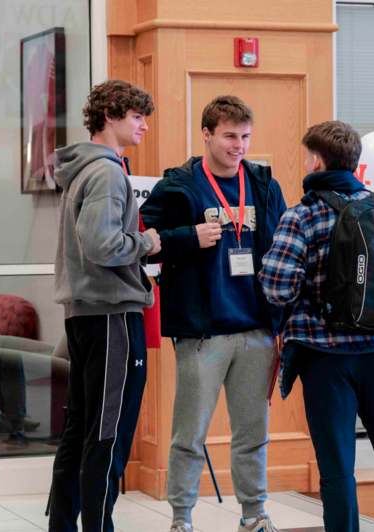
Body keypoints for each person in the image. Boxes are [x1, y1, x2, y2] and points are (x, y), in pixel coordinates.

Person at [259, 120, 374, 531]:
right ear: (355, 162)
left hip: (325, 359)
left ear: (315, 159)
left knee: (337, 468)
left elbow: (276, 287)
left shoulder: (302, 216)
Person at [141, 95, 287, 532]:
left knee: (251, 435)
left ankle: (254, 514)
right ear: (206, 134)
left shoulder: (263, 185)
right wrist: (188, 236)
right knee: (190, 435)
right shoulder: (179, 185)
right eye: (228, 136)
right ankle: (181, 519)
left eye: (244, 137)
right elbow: (141, 238)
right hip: (202, 334)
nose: (238, 145)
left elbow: (282, 247)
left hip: (256, 330)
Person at [48, 79, 161, 532]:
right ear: (111, 116)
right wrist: (147, 242)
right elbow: (103, 245)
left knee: (81, 429)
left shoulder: (80, 168)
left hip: (85, 313)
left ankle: (64, 525)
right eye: (137, 117)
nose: (145, 127)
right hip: (111, 314)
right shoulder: (108, 172)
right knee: (107, 433)